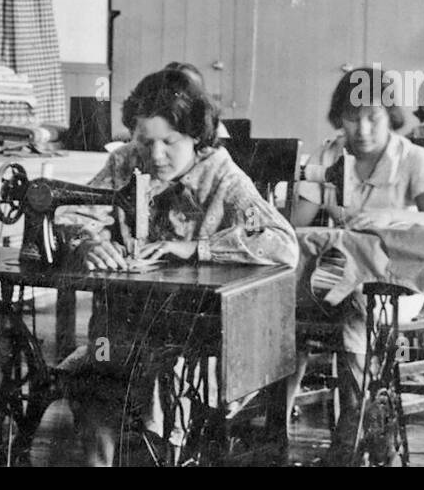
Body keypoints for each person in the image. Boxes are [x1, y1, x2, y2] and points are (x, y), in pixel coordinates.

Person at [59, 68, 298, 466]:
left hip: (199, 342)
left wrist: (196, 247)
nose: (155, 156)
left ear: (195, 137)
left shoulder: (221, 174)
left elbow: (281, 242)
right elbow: (74, 212)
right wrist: (89, 241)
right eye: (145, 141)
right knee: (91, 378)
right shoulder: (125, 162)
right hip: (118, 329)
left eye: (169, 142)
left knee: (158, 385)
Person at [290, 66, 424, 464]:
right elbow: (298, 225)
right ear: (338, 117)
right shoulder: (327, 156)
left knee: (360, 309)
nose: (361, 128)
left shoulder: (416, 159)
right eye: (351, 117)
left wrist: (389, 218)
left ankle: (352, 438)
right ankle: (281, 427)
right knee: (281, 309)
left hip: (402, 281)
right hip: (339, 277)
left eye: (372, 117)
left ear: (390, 116)